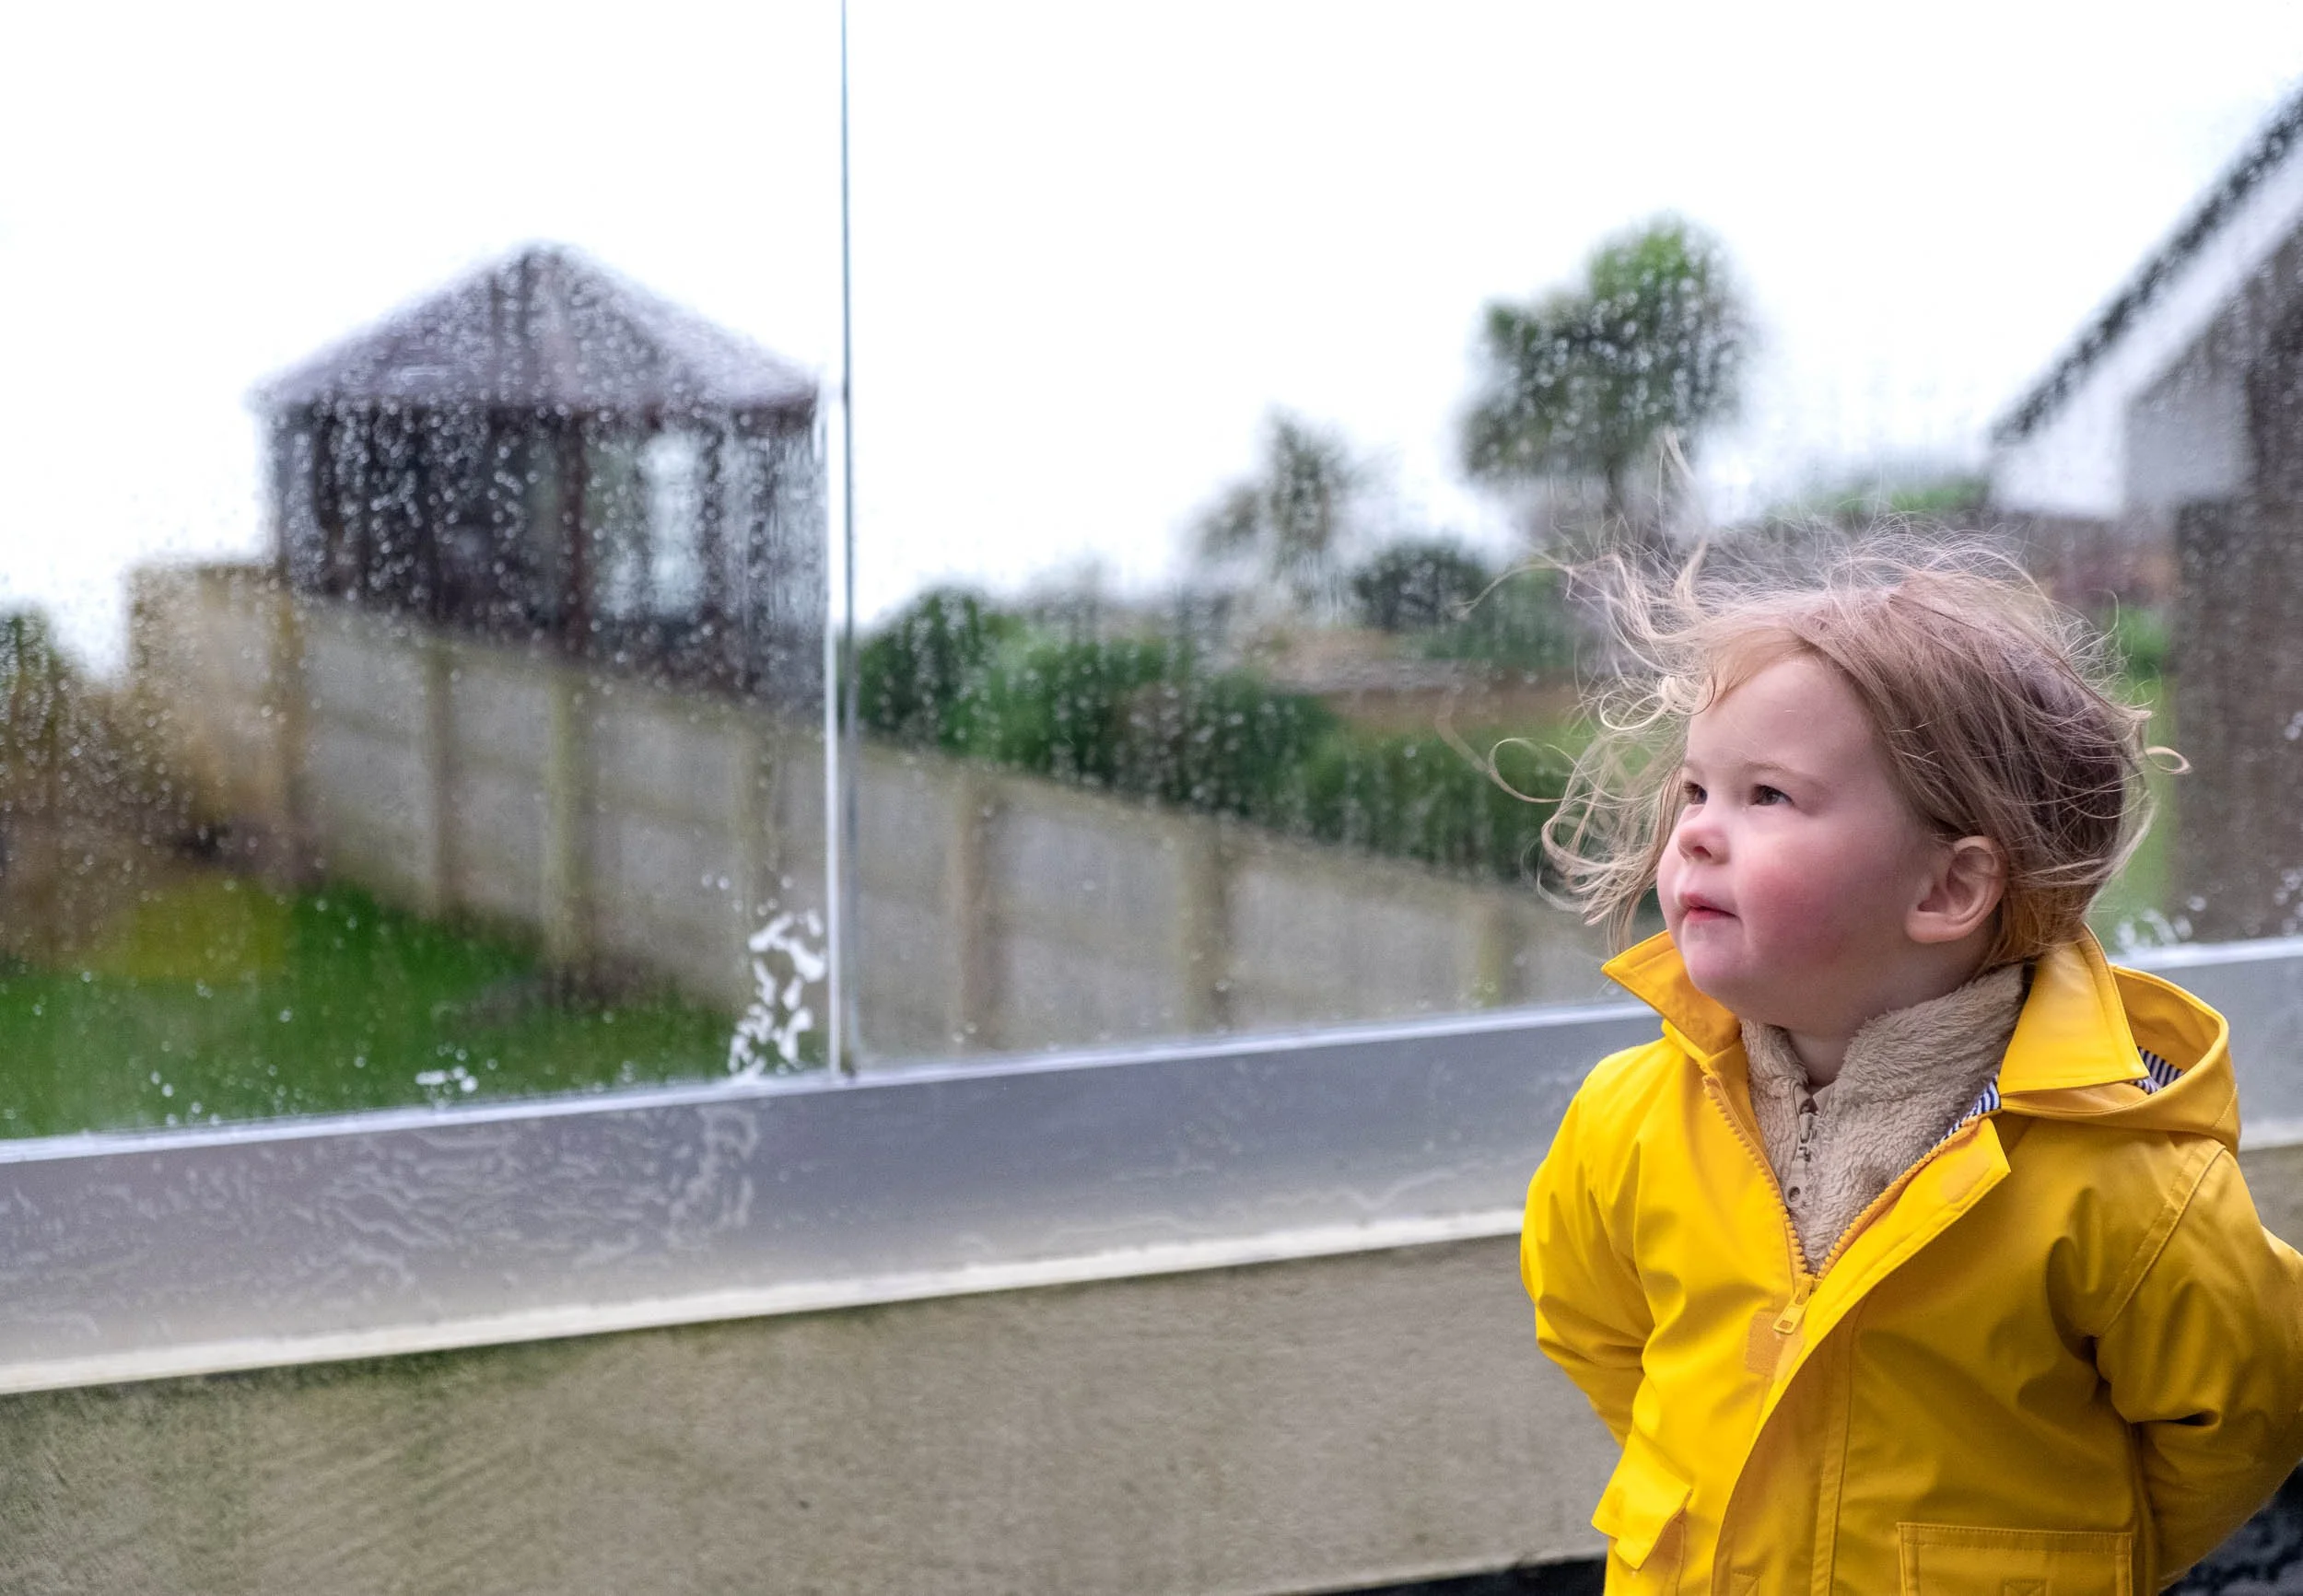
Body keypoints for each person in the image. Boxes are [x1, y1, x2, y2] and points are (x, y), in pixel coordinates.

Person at [1520, 536, 2303, 1592]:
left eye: (1767, 795)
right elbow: (1595, 1326)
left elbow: (2245, 1412)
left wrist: (2075, 1558)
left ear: (1945, 889)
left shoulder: (2125, 1180)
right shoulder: (1628, 1116)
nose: (1695, 833)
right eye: (1696, 787)